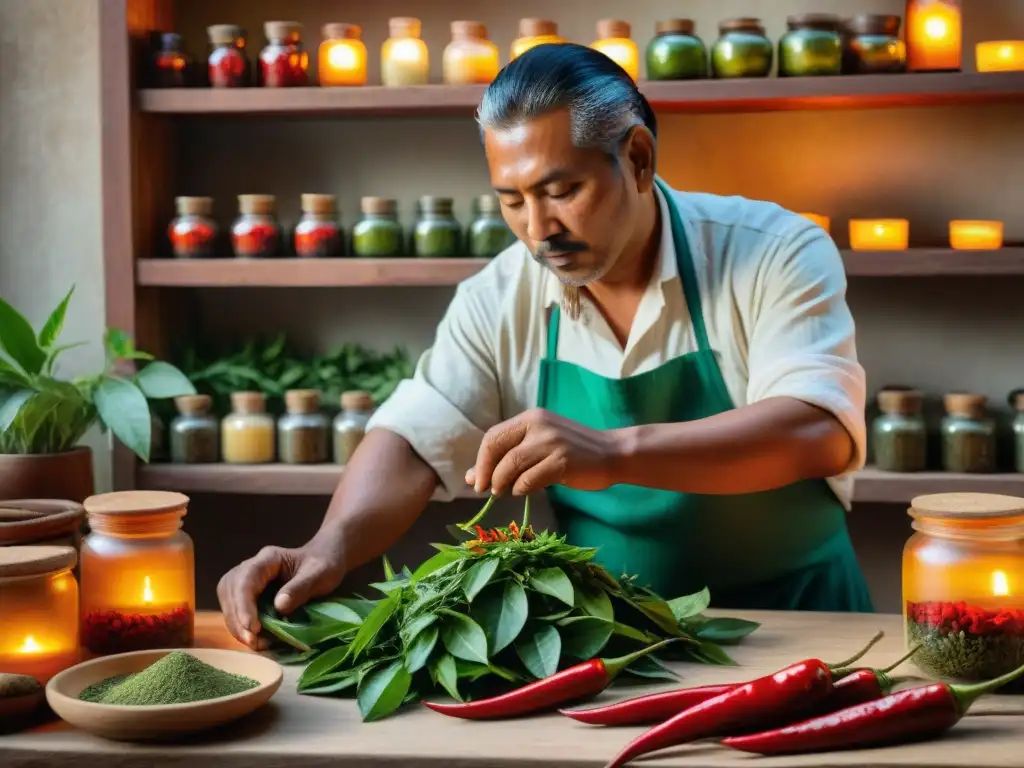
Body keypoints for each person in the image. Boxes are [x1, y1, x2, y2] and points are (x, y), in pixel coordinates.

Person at [218, 44, 873, 649]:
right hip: (611, 644)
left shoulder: (772, 250)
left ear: (639, 158)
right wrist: (328, 546)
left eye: (563, 192)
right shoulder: (501, 293)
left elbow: (817, 430)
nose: (539, 231)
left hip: (801, 630)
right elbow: (417, 435)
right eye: (512, 201)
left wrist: (612, 452)